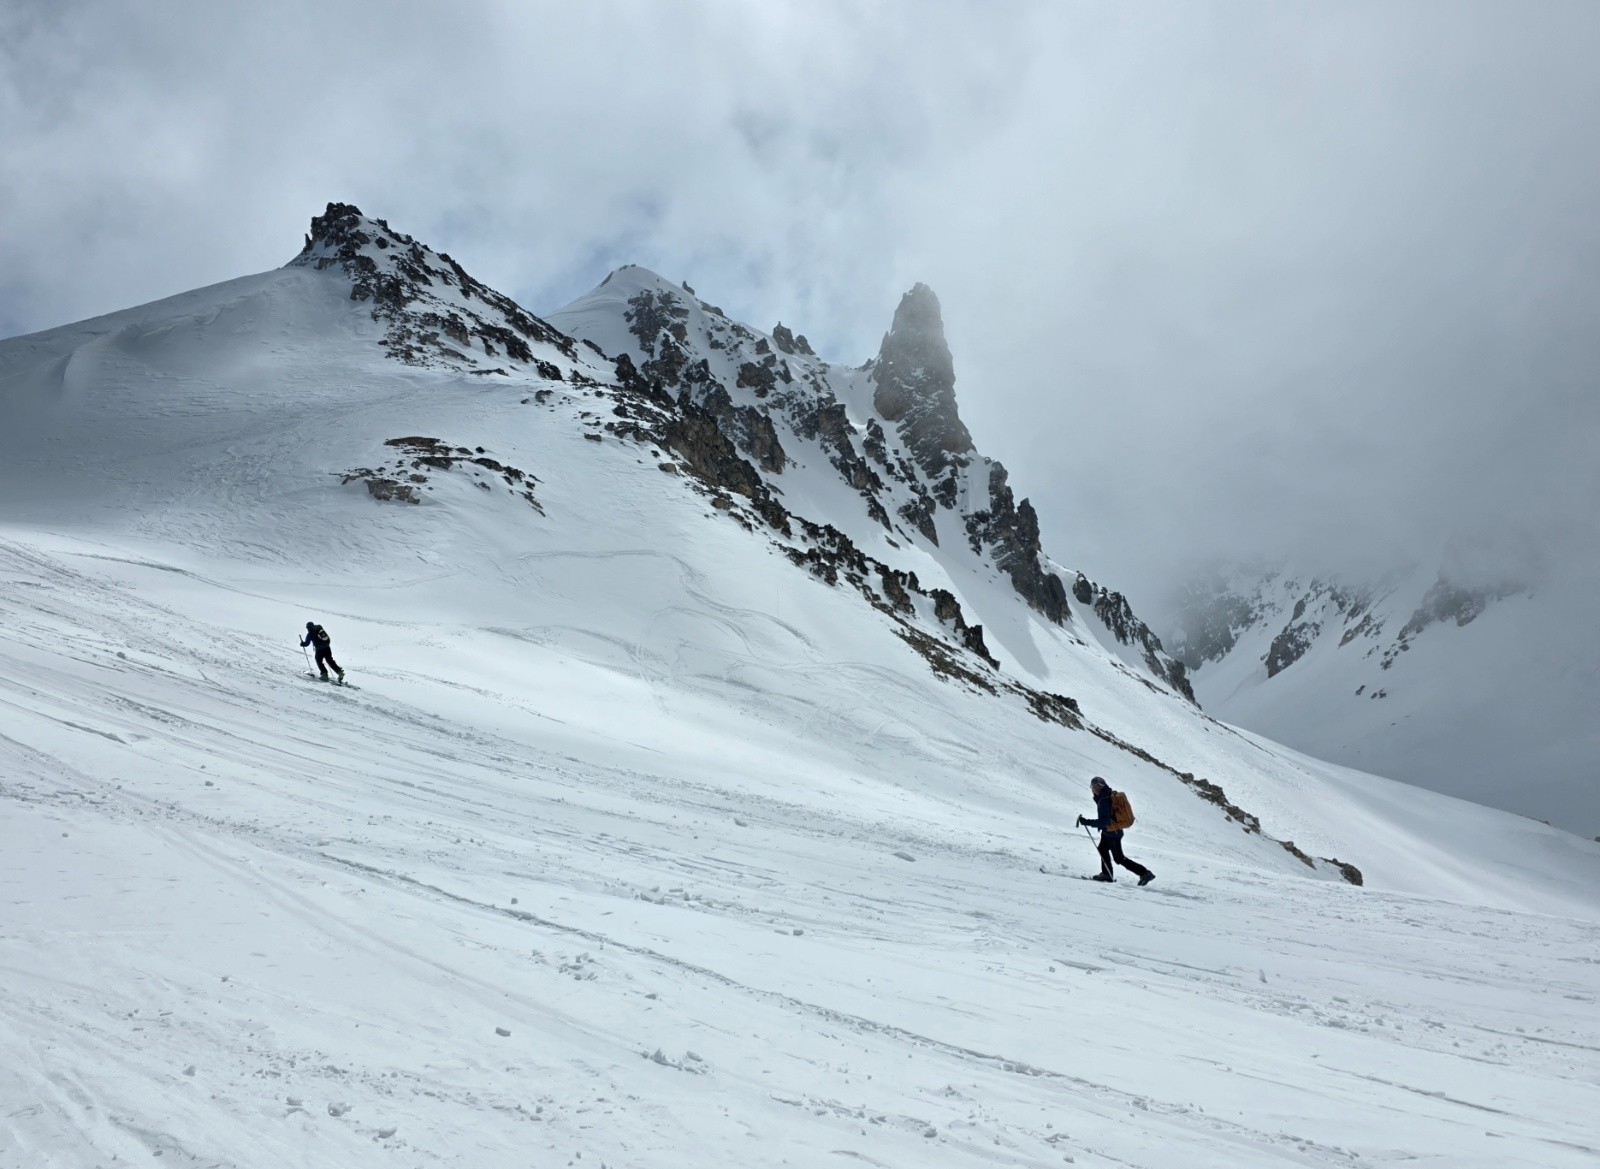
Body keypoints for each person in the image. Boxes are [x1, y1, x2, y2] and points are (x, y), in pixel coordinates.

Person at [1077, 776, 1153, 885]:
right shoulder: (1106, 796)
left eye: (1092, 787)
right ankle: (1106, 874)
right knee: (1102, 849)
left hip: (1112, 833)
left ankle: (1145, 873)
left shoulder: (1104, 800)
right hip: (1110, 832)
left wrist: (1087, 822)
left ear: (1097, 787)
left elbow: (1104, 821)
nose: (1091, 789)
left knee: (1119, 858)